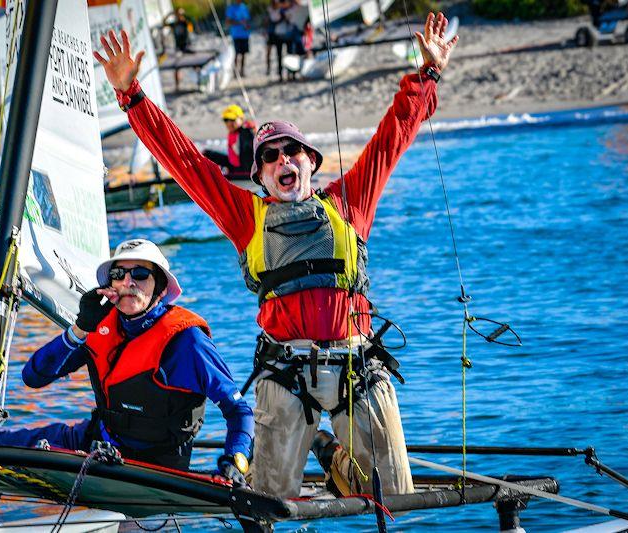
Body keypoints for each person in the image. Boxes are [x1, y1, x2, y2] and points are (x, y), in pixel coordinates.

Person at [94, 13, 458, 497]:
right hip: (285, 373)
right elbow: (185, 162)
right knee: (269, 500)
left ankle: (329, 454)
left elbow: (393, 137)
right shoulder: (247, 216)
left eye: (292, 151)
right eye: (270, 156)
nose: (282, 160)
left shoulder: (349, 203)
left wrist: (426, 75)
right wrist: (132, 96)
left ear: (311, 162)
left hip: (357, 366)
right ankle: (320, 454)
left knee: (396, 496)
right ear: (261, 176)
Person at [0, 239, 253, 482]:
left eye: (140, 274)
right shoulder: (97, 327)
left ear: (160, 287)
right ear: (111, 285)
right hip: (98, 442)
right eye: (119, 275)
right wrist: (80, 328)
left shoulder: (188, 342)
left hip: (157, 469)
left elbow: (238, 411)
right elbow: (33, 377)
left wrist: (235, 460)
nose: (129, 282)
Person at [203, 104, 255, 180]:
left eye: (232, 120)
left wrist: (252, 131)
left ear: (240, 118)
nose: (228, 123)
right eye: (226, 120)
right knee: (207, 153)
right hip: (234, 166)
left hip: (244, 172)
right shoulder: (234, 133)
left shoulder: (246, 133)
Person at [225, 0, 251, 77]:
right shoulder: (231, 8)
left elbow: (247, 20)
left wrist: (247, 26)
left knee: (243, 54)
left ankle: (242, 71)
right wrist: (239, 23)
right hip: (236, 35)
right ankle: (235, 72)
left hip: (245, 35)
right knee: (236, 54)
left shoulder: (244, 7)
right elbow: (228, 22)